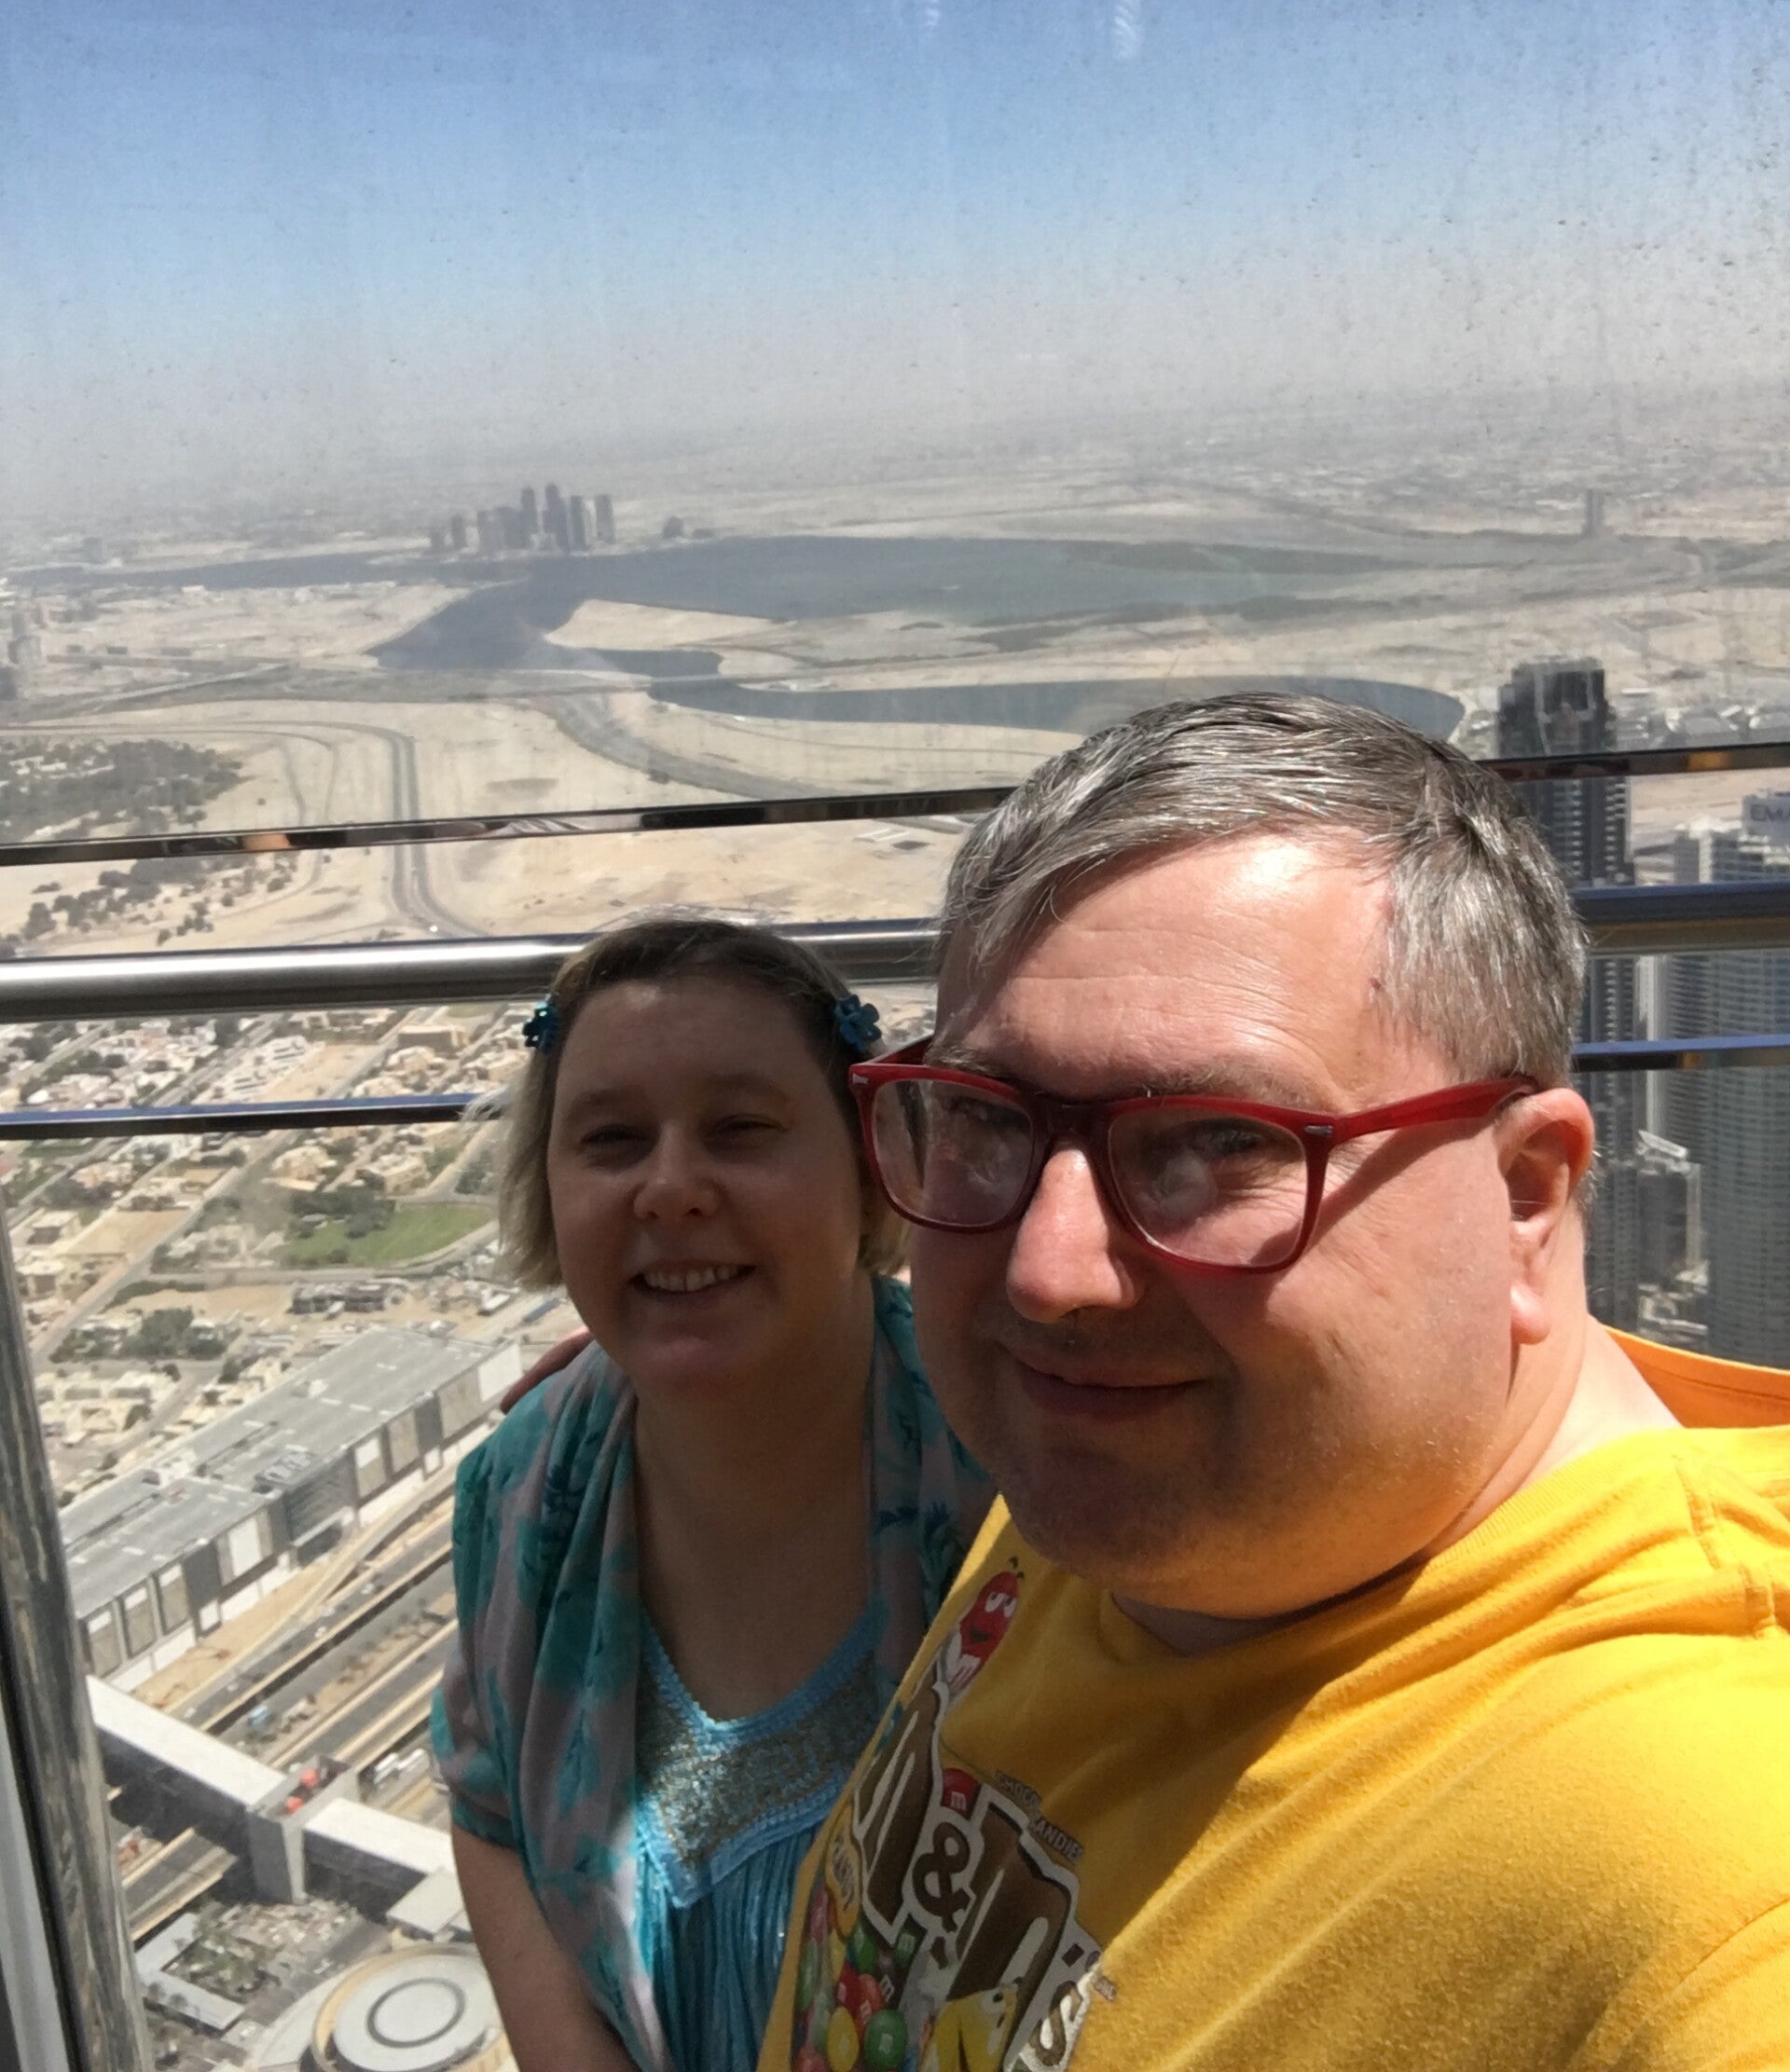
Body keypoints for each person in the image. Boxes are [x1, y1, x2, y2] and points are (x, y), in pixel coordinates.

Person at [758, 693, 1790, 2072]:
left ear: (1525, 1196)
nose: (1050, 1273)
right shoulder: (1159, 1467)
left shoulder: (1713, 1888)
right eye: (984, 1117)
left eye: (1214, 1143)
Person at [431, 918, 991, 2072]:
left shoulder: (1011, 1468)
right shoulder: (526, 1489)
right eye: (612, 1140)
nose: (672, 1188)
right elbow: (489, 1810)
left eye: (740, 1129)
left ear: (869, 1161)